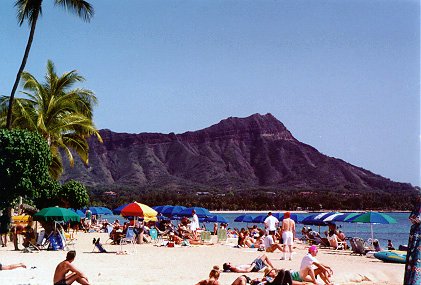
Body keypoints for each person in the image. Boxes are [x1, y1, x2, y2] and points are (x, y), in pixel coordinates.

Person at [404, 192, 421, 284]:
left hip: (416, 235)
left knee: (414, 262)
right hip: (416, 235)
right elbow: (414, 218)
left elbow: (413, 218)